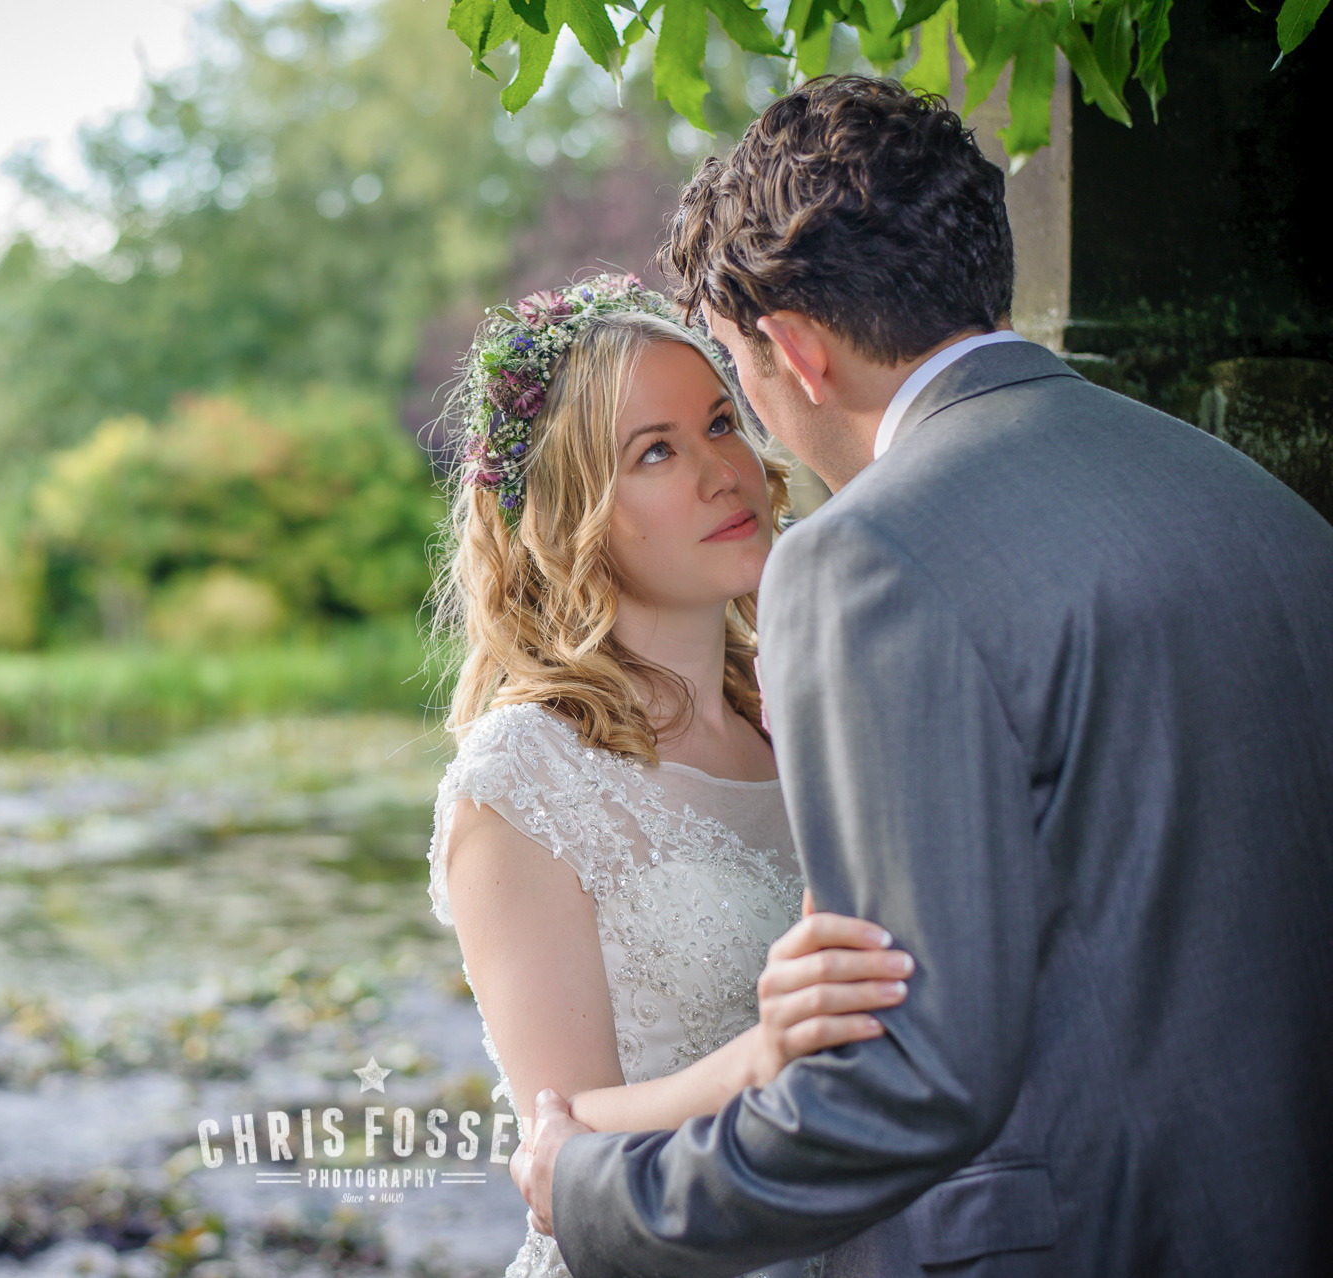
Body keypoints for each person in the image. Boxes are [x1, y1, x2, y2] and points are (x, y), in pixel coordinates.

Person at [508, 77, 1333, 1275]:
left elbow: (912, 1080)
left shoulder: (866, 558)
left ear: (796, 351)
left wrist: (598, 1194)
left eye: (736, 381)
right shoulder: (1262, 503)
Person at [427, 272, 917, 1278]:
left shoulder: (813, 704)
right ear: (574, 510)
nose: (722, 471)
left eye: (721, 423)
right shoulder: (522, 779)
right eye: (656, 450)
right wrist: (765, 1056)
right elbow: (562, 1129)